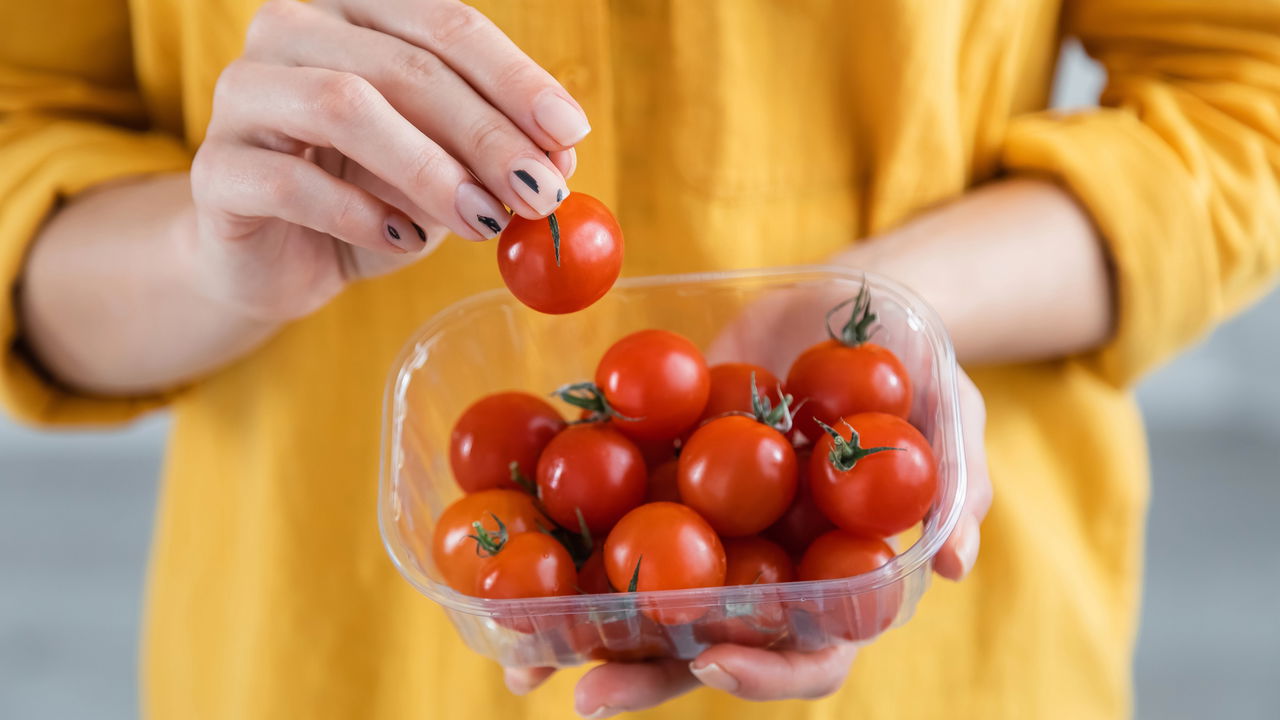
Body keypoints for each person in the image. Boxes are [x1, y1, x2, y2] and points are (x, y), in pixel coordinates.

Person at [2, 0, 1276, 717]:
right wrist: (210, 255)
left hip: (950, 669)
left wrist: (910, 309)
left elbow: (1245, 91)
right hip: (326, 662)